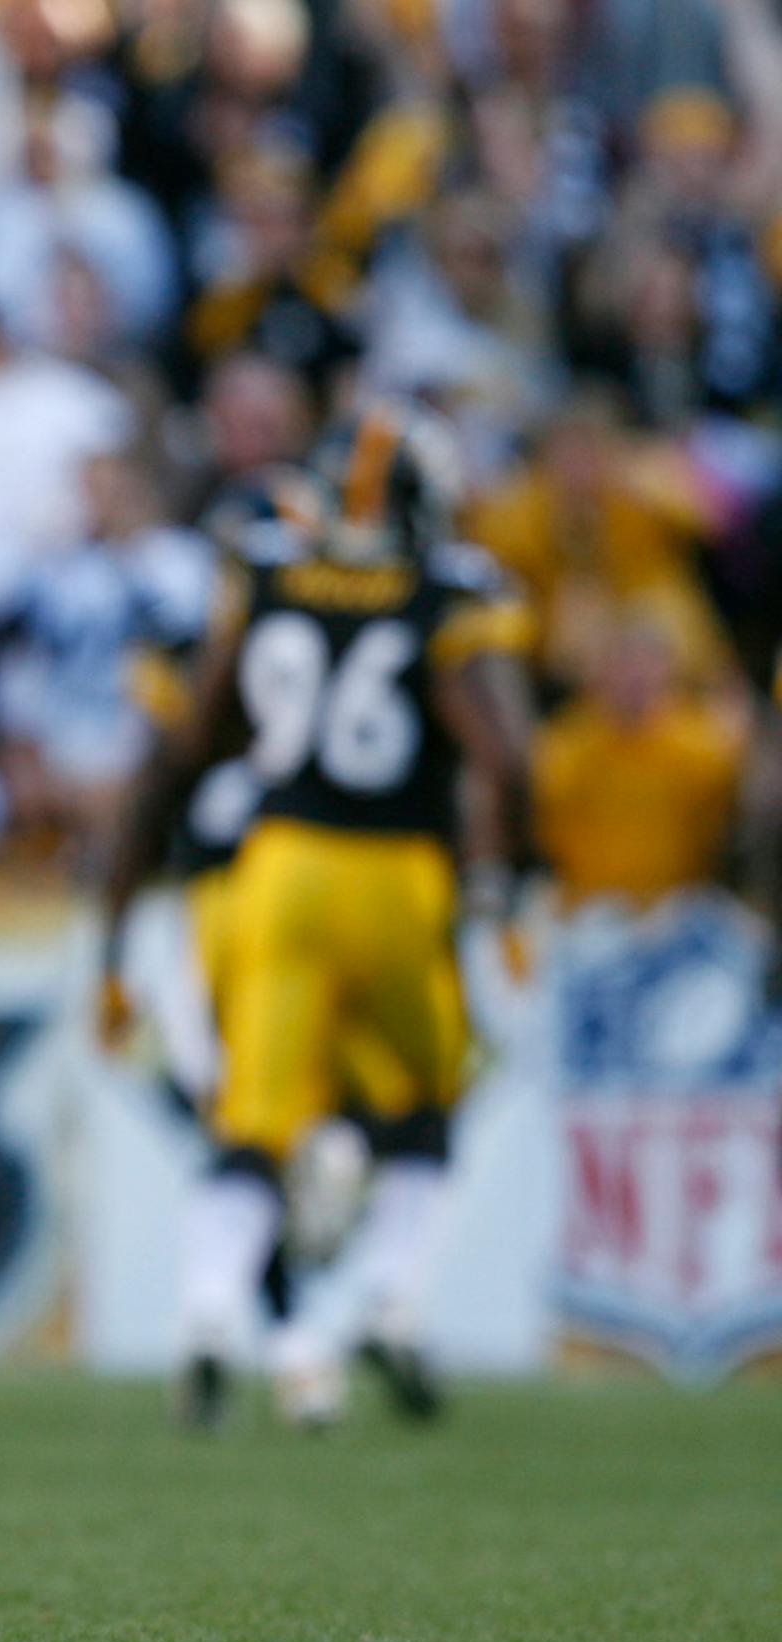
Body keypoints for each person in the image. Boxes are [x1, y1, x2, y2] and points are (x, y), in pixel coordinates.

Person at [101, 400, 533, 1428]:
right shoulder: (446, 591)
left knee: (252, 1120)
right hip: (396, 873)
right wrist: (509, 877)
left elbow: (170, 760)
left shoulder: (260, 587)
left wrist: (110, 937)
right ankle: (370, 1304)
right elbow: (505, 756)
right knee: (421, 1106)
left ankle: (223, 1317)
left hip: (267, 873)